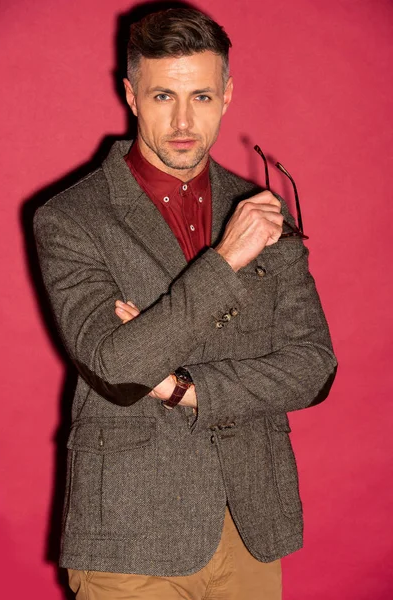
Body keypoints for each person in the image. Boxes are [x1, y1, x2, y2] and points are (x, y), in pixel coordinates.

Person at [34, 7, 337, 599]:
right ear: (130, 95)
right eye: (162, 96)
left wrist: (183, 387)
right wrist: (225, 261)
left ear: (226, 95)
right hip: (128, 531)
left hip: (251, 522)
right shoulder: (71, 218)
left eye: (200, 96)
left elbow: (314, 366)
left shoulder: (263, 211)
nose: (181, 120)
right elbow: (117, 369)